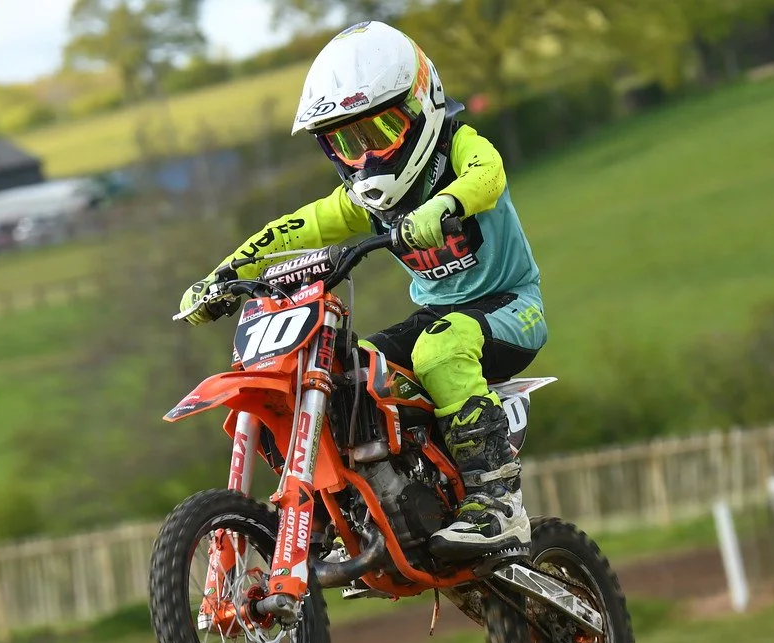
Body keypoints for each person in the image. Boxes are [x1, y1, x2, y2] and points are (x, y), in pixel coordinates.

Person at [179, 20, 547, 560]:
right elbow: (297, 227)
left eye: (380, 133)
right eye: (347, 143)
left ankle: (498, 504)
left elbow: (486, 174)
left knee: (441, 350)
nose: (367, 158)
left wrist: (445, 205)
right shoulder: (364, 200)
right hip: (435, 318)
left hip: (511, 308)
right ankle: (345, 511)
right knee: (349, 375)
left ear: (421, 107)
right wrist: (223, 275)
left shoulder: (459, 148)